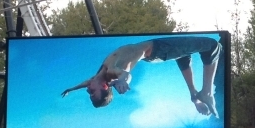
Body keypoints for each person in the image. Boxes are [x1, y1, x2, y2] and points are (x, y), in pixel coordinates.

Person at [60, 34, 222, 117]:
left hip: (155, 52)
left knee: (184, 55)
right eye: (92, 92)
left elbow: (85, 83)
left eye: (88, 92)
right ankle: (206, 92)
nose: (88, 89)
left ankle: (194, 94)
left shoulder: (97, 77)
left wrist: (70, 89)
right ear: (104, 87)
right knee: (212, 46)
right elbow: (126, 74)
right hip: (157, 48)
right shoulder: (111, 72)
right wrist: (123, 81)